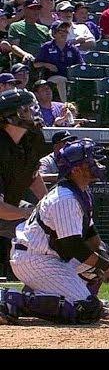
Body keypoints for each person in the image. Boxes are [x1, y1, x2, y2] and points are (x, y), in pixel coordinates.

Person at [0, 138, 109, 325]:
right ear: (76, 170)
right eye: (90, 161)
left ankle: (77, 299)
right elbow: (74, 247)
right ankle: (11, 299)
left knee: (101, 256)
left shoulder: (81, 190)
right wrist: (108, 267)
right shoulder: (64, 197)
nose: (97, 165)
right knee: (85, 311)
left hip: (52, 256)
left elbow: (90, 235)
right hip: (34, 259)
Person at [0, 88, 47, 278]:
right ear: (10, 117)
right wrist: (31, 214)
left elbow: (33, 176)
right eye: (26, 110)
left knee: (55, 229)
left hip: (10, 204)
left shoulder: (32, 138)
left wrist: (49, 205)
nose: (33, 113)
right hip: (4, 207)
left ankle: (46, 292)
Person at [33, 20, 84, 103]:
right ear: (54, 33)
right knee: (61, 80)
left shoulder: (72, 48)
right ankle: (65, 105)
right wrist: (47, 65)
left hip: (70, 77)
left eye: (66, 31)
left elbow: (81, 64)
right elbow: (36, 64)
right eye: (60, 31)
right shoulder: (47, 47)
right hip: (51, 77)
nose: (63, 34)